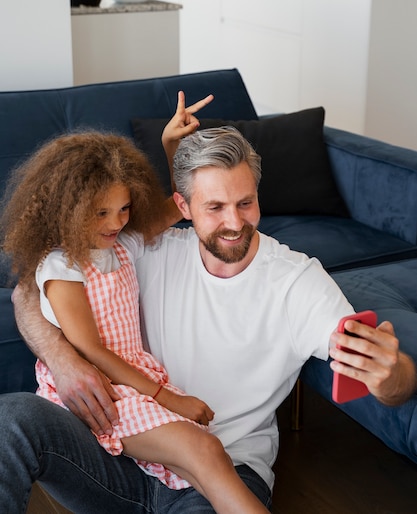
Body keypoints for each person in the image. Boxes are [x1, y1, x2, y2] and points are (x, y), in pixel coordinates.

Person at [1, 97, 416, 513]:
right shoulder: (143, 249)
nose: (234, 223)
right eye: (214, 207)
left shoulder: (297, 282)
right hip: (116, 459)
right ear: (184, 208)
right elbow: (27, 291)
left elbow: (390, 381)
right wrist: (62, 359)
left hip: (219, 473)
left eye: (245, 203)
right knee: (11, 419)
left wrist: (392, 375)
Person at [0, 99, 270, 514]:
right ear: (67, 210)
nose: (116, 222)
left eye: (124, 208)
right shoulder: (62, 266)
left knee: (207, 457)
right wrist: (170, 399)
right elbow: (91, 352)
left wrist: (170, 148)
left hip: (133, 378)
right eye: (101, 212)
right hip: (106, 387)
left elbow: (180, 204)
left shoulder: (121, 244)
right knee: (202, 450)